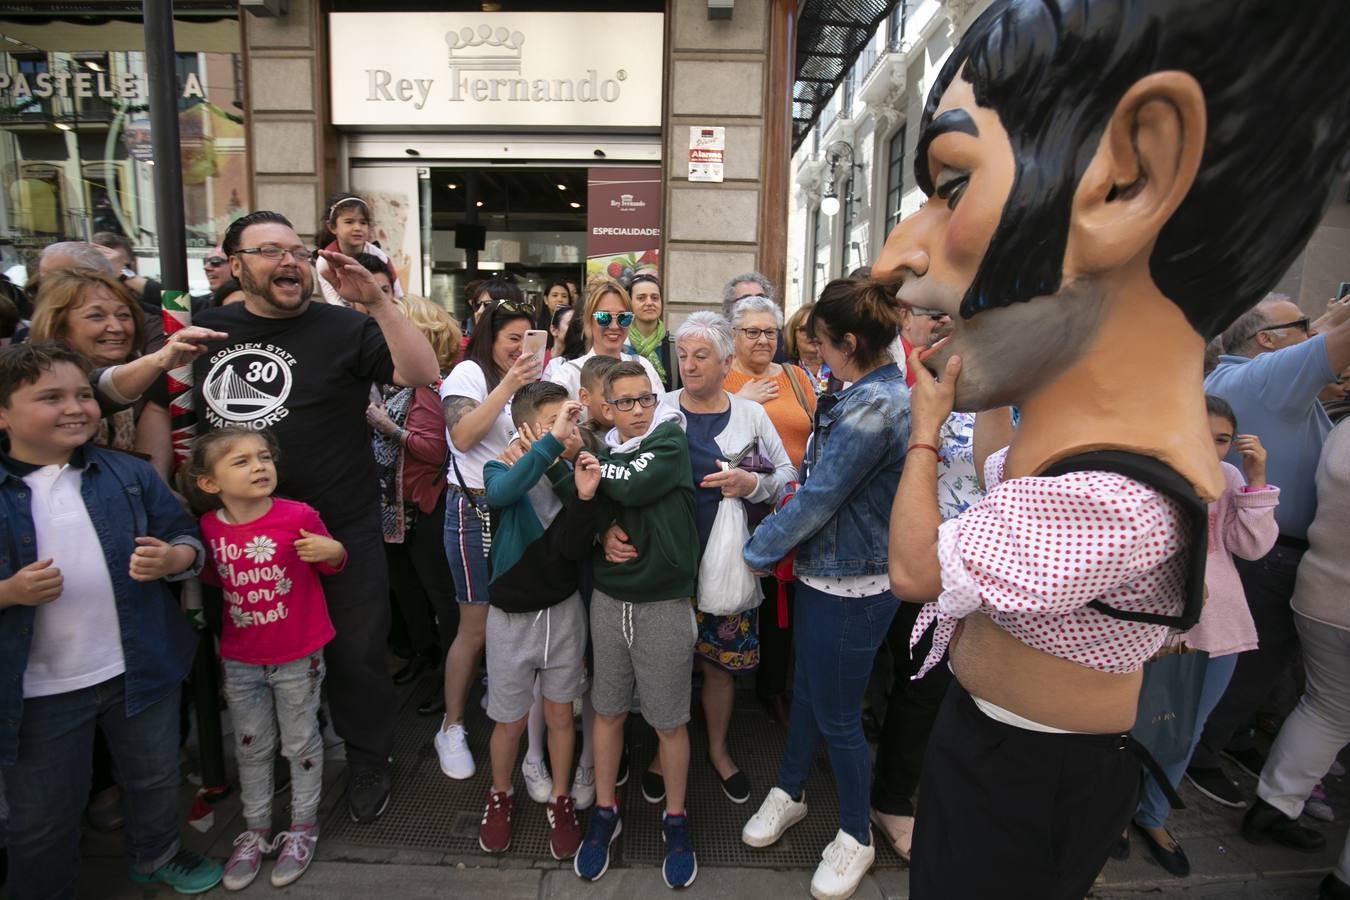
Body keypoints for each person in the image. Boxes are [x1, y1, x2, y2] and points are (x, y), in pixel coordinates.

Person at [877, 2, 1350, 896]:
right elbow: (1000, 478)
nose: (896, 256)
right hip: (1001, 746)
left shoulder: (1110, 499)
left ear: (1131, 178)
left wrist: (925, 426)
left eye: (951, 186)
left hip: (1023, 772)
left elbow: (914, 570)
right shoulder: (1088, 474)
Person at [193, 210, 439, 824]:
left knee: (358, 651)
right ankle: (276, 759)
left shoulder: (341, 327)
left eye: (297, 251)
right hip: (244, 530)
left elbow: (421, 372)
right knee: (258, 655)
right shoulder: (205, 329)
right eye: (269, 251)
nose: (288, 261)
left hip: (336, 524)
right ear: (235, 263)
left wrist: (378, 302)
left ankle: (366, 759)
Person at [0, 342, 220, 898]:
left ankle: (157, 854)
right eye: (50, 397)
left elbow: (185, 536)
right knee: (44, 812)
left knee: (152, 778)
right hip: (36, 690)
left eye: (82, 394)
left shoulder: (126, 474)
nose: (74, 407)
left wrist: (176, 559)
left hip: (138, 668)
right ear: (3, 413)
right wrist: (8, 592)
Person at [737, 278, 909, 900]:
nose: (814, 350)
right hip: (828, 571)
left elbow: (819, 496)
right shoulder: (863, 391)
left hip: (854, 581)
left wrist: (755, 551)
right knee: (808, 693)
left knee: (838, 715)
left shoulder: (874, 407)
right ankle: (790, 788)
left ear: (850, 342)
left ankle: (855, 833)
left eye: (822, 342)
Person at [1188, 292, 1350, 806]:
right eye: (1304, 326)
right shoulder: (1270, 378)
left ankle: (1221, 743)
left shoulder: (1255, 376)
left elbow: (1322, 328)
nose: (1316, 330)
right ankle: (1200, 756)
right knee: (1245, 668)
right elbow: (1334, 341)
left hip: (1274, 553)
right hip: (1264, 555)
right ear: (1268, 341)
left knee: (1253, 671)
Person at [186, 427, 347, 890]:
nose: (259, 467)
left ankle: (302, 826)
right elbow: (216, 584)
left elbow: (335, 562)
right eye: (241, 462)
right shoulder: (209, 528)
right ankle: (254, 831)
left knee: (300, 743)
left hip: (298, 655)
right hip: (241, 658)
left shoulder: (299, 515)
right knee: (251, 746)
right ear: (209, 483)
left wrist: (331, 550)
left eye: (263, 457)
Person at [648, 312, 794, 804]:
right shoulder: (660, 409)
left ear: (726, 362)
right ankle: (661, 749)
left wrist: (751, 482)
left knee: (718, 665)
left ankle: (716, 748)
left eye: (700, 356)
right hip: (666, 562)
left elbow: (787, 474)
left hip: (727, 563)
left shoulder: (750, 414)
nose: (688, 366)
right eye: (682, 356)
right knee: (667, 663)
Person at [1129, 397, 1278, 876]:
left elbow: (1251, 547)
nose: (1212, 447)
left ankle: (1152, 815)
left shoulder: (1229, 479)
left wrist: (1255, 482)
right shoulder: (1145, 472)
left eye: (1223, 439)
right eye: (1204, 433)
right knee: (1126, 728)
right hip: (1150, 629)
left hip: (1220, 629)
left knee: (1181, 731)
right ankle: (1110, 814)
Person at [574, 361, 700, 890]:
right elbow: (581, 500)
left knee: (669, 722)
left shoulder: (670, 441)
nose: (637, 410)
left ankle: (676, 820)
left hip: (665, 603)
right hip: (609, 599)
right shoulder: (598, 453)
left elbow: (633, 484)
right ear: (606, 408)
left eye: (645, 398)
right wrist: (602, 527)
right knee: (606, 711)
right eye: (624, 402)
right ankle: (605, 810)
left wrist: (591, 474)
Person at [478, 385, 604, 861]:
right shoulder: (501, 465)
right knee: (508, 720)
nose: (567, 428)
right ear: (527, 428)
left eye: (569, 419)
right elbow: (501, 493)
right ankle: (501, 793)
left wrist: (571, 479)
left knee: (559, 714)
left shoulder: (568, 471)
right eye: (556, 420)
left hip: (563, 611)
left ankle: (562, 796)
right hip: (510, 618)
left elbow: (576, 541)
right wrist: (548, 446)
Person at [435, 282, 543, 781]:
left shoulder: (535, 379)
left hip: (518, 508)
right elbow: (461, 434)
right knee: (474, 626)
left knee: (517, 622)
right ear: (488, 337)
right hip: (473, 509)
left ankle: (515, 721)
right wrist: (508, 383)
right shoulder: (470, 373)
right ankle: (451, 725)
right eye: (511, 337)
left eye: (528, 336)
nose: (520, 347)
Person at [1244, 420, 1350, 888]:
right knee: (1329, 710)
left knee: (1327, 709)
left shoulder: (1345, 429)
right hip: (1327, 591)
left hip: (1323, 588)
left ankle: (1274, 805)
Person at [365, 296, 461, 701]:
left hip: (426, 507)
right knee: (406, 590)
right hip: (393, 509)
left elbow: (435, 449)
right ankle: (425, 656)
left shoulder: (435, 386)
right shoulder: (391, 381)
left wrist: (389, 428)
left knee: (439, 594)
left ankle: (453, 674)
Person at [28, 268, 174, 481]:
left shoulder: (150, 378)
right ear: (59, 326)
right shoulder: (28, 377)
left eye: (124, 315)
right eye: (96, 316)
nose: (116, 327)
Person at [545, 280, 663, 403]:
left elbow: (663, 413)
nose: (614, 326)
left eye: (623, 318)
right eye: (603, 317)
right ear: (588, 321)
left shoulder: (643, 366)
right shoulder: (569, 374)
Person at [315, 194, 402, 306]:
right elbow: (334, 302)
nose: (357, 228)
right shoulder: (325, 261)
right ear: (332, 227)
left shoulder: (379, 256)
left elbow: (398, 294)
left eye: (363, 222)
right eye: (349, 222)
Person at [624, 274, 679, 392]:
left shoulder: (676, 346)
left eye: (654, 297)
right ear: (630, 303)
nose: (649, 303)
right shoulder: (621, 345)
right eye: (641, 298)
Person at [785, 304, 834, 395]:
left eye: (818, 328)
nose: (813, 334)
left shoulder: (842, 369)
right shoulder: (785, 373)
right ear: (793, 335)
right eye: (805, 329)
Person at [577, 354, 620, 453]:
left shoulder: (638, 432)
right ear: (585, 397)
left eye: (624, 396)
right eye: (608, 394)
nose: (618, 401)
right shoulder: (576, 440)